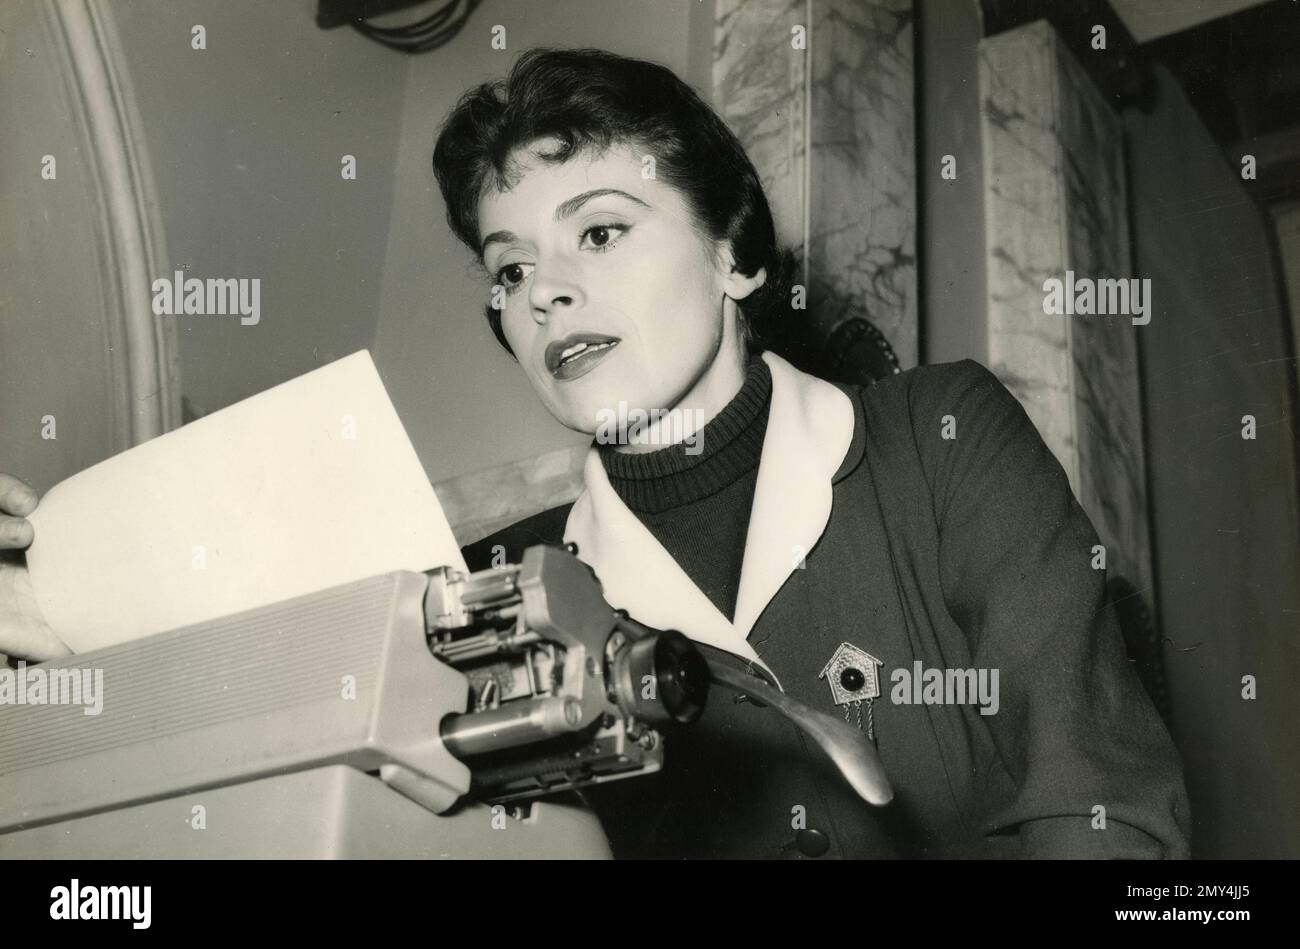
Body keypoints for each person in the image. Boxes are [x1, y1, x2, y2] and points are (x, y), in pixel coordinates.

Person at [0, 46, 1190, 860]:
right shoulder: (486, 585)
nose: (545, 293)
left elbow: (1105, 808)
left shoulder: (936, 440)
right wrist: (60, 626)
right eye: (510, 269)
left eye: (600, 232)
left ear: (734, 254)